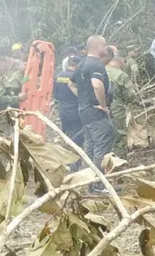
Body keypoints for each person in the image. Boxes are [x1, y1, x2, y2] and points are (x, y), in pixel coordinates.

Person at [74, 36, 114, 191]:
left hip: (84, 111)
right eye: (105, 44)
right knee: (102, 146)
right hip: (96, 113)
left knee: (89, 146)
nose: (106, 47)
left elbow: (72, 84)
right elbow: (97, 85)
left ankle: (87, 182)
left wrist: (84, 100)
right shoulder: (96, 64)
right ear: (98, 46)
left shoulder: (82, 63)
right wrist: (102, 105)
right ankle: (97, 184)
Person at [105, 46, 134, 158]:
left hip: (100, 109)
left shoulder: (100, 70)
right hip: (117, 109)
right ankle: (119, 162)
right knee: (120, 135)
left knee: (104, 135)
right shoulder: (121, 75)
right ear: (121, 60)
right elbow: (131, 95)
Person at [53, 55, 83, 148]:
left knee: (66, 138)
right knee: (76, 142)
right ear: (78, 65)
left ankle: (65, 159)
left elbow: (56, 96)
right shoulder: (77, 77)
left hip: (63, 112)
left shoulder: (58, 76)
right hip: (75, 113)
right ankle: (74, 162)